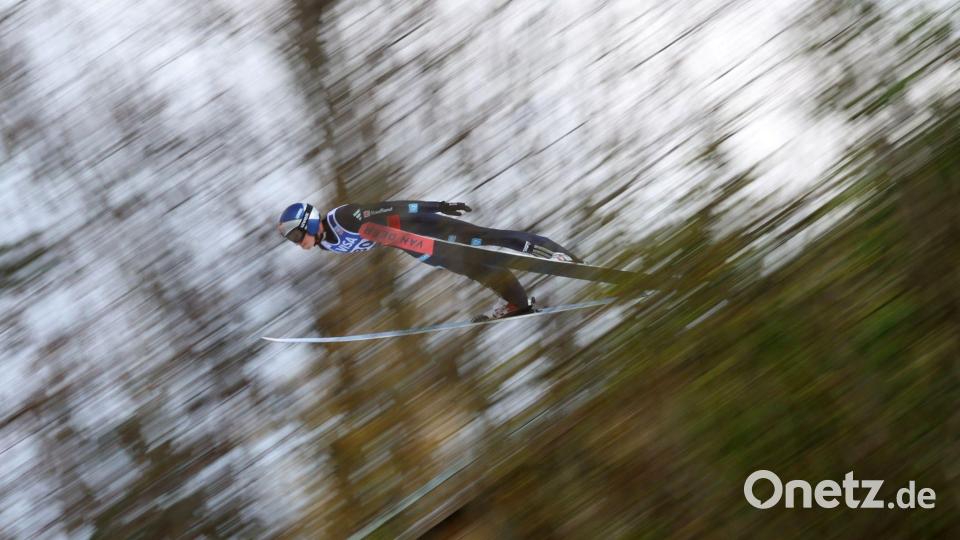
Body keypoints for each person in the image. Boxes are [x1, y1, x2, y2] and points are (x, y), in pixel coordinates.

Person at [277, 200, 582, 320]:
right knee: (476, 268)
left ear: (310, 221)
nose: (298, 243)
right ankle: (518, 303)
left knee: (485, 238)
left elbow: (390, 207)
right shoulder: (327, 244)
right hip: (413, 246)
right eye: (292, 239)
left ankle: (555, 254)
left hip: (421, 226)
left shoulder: (343, 217)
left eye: (296, 235)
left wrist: (437, 207)